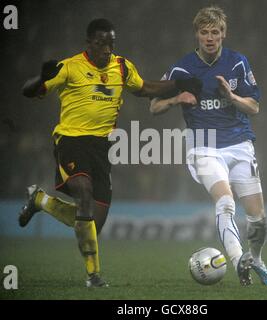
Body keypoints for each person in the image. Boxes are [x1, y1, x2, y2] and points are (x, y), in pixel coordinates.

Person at [19, 18, 202, 288]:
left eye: (111, 44)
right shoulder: (69, 67)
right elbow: (28, 92)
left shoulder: (121, 66)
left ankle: (41, 201)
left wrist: (179, 84)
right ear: (89, 43)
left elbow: (146, 89)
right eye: (101, 44)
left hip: (102, 148)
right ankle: (93, 276)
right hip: (72, 140)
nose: (107, 49)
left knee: (91, 221)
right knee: (83, 191)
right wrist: (41, 78)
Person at [150, 6, 267, 286]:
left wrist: (231, 96)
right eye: (204, 32)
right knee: (225, 201)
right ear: (196, 35)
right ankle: (238, 262)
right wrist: (175, 99)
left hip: (240, 144)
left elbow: (254, 107)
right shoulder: (182, 69)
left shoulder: (237, 63)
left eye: (215, 32)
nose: (210, 38)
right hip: (204, 145)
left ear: (223, 34)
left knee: (259, 219)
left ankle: (256, 258)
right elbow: (154, 106)